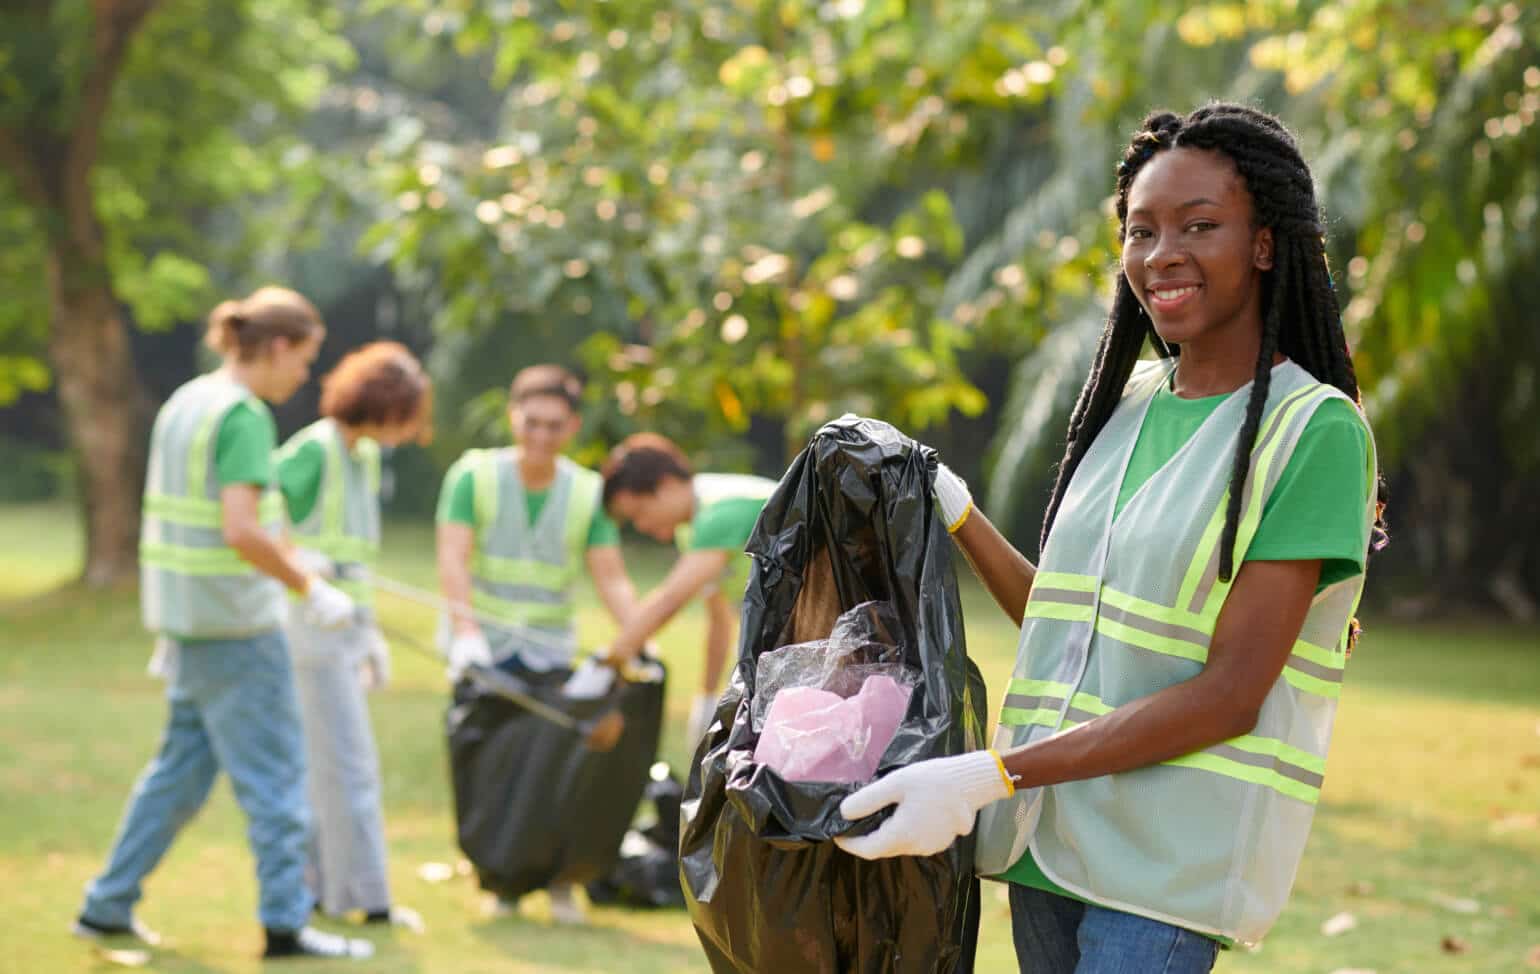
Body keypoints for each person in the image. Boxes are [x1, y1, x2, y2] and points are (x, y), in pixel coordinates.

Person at [833, 104, 1387, 972]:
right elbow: (1065, 620)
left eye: (1199, 226)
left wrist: (992, 774)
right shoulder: (1123, 405)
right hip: (1048, 843)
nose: (1160, 254)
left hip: (1166, 865)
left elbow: (1231, 693)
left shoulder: (1312, 432)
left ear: (1266, 244)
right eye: (1140, 230)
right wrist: (955, 510)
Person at [75, 287, 373, 960]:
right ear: (275, 347)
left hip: (186, 622)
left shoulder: (189, 402)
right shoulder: (243, 415)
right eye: (304, 359)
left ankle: (106, 905)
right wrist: (308, 587)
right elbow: (239, 530)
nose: (305, 376)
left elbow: (224, 521)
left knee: (176, 777)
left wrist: (298, 555)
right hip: (238, 630)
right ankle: (285, 925)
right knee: (278, 784)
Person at [435, 364, 638, 923]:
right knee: (485, 771)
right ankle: (500, 882)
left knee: (550, 773)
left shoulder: (586, 492)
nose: (541, 436)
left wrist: (636, 633)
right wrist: (466, 634)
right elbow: (453, 558)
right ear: (513, 417)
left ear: (571, 426)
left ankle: (556, 883)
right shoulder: (472, 478)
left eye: (554, 425)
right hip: (483, 654)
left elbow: (611, 575)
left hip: (548, 651)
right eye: (531, 423)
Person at [275, 341, 432, 929]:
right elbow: (255, 518)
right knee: (350, 765)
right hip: (311, 624)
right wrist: (303, 563)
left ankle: (319, 889)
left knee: (326, 766)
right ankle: (371, 900)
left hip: (347, 625)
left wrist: (370, 636)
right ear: (383, 406)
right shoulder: (313, 450)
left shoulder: (361, 457)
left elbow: (356, 556)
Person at [598, 433, 777, 742]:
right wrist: (706, 699)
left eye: (639, 512)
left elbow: (670, 600)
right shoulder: (692, 529)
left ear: (666, 485)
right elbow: (720, 621)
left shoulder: (719, 510)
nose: (641, 526)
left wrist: (612, 657)